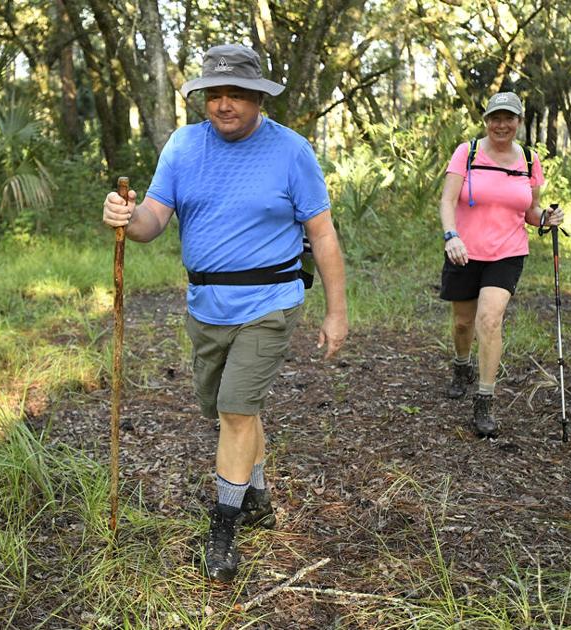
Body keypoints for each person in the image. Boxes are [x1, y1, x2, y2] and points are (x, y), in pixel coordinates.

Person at [102, 44, 348, 582]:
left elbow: (322, 234)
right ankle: (255, 490)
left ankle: (224, 524)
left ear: (259, 97)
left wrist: (337, 312)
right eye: (215, 93)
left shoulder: (291, 151)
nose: (224, 104)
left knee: (236, 410)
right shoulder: (184, 146)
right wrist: (125, 215)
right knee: (223, 407)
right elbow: (152, 222)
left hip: (271, 300)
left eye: (236, 93)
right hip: (206, 304)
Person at [438, 91, 563, 437]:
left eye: (509, 118)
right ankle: (461, 366)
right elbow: (448, 200)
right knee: (463, 324)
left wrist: (546, 219)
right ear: (486, 121)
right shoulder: (468, 152)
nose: (502, 125)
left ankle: (484, 399)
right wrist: (452, 236)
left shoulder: (528, 159)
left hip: (507, 253)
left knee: (489, 320)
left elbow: (530, 211)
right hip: (462, 251)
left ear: (519, 122)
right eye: (496, 118)